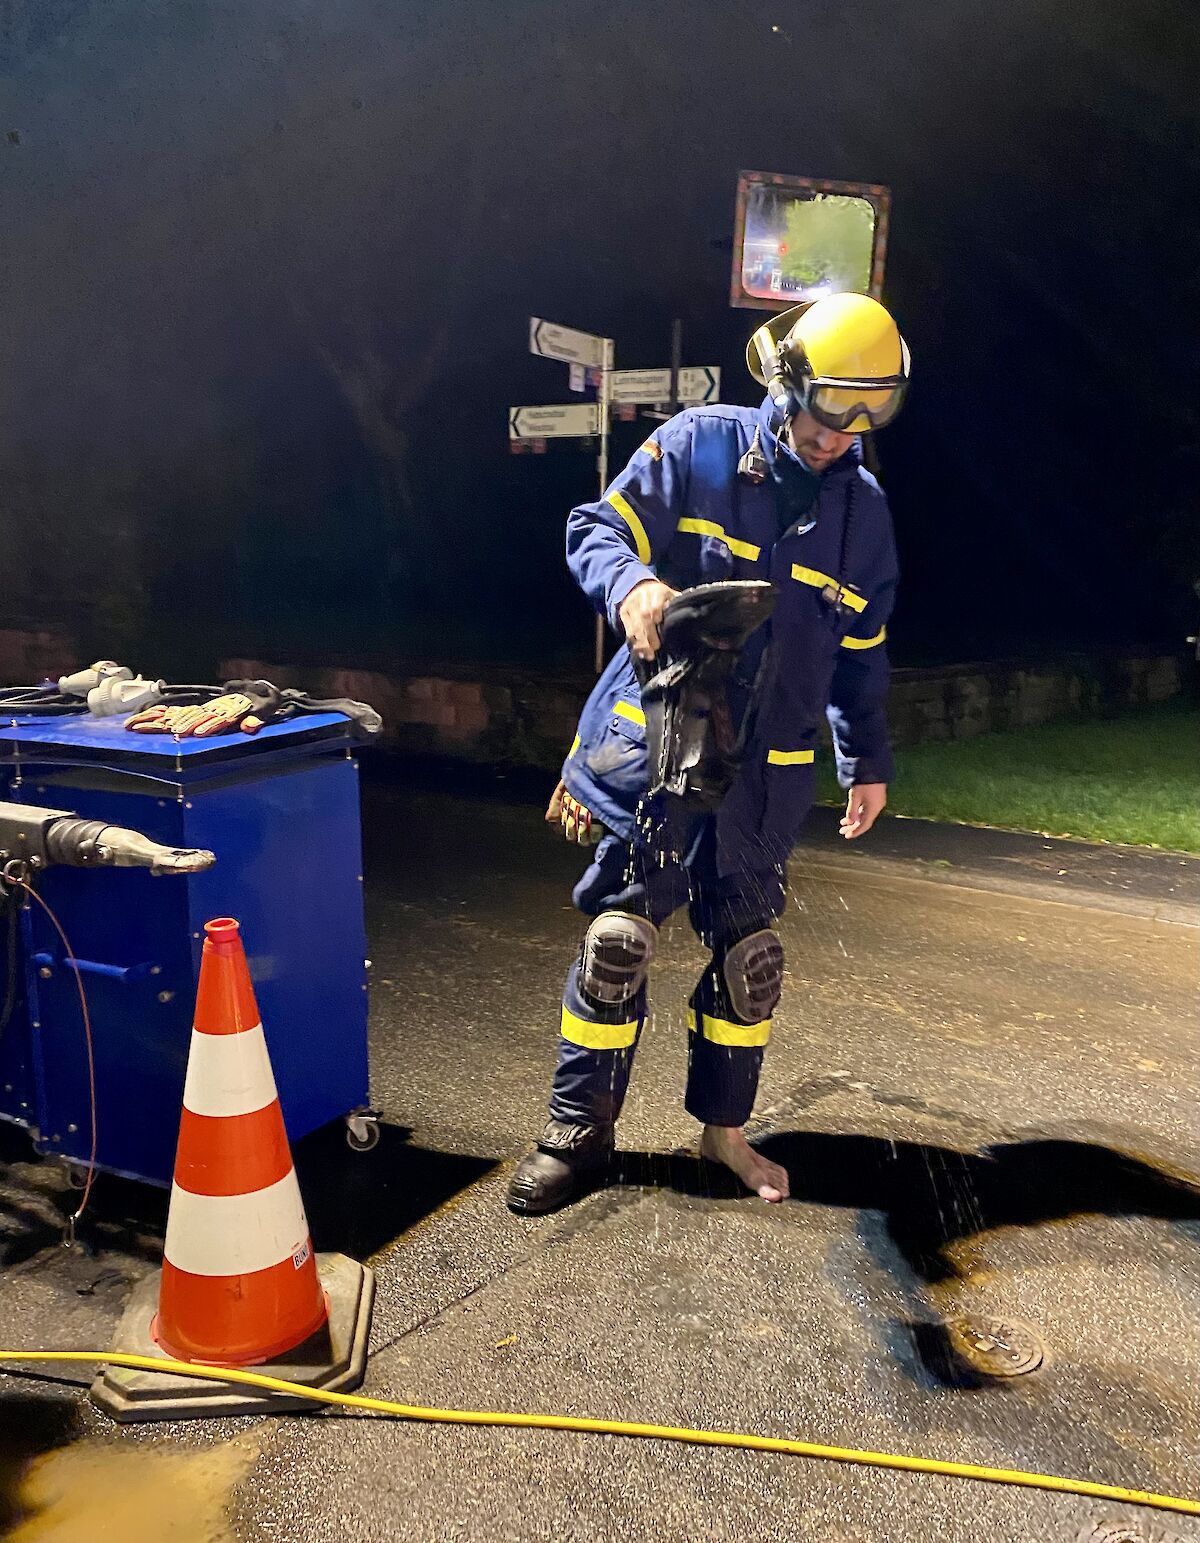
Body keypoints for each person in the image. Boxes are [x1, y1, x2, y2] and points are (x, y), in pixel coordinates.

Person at [506, 292, 910, 1216]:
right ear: (787, 380)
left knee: (752, 962)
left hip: (766, 785)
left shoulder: (865, 517)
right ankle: (578, 1135)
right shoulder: (700, 443)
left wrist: (868, 757)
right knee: (618, 947)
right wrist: (635, 583)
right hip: (663, 759)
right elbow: (593, 529)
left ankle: (723, 1132)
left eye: (869, 412)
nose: (842, 433)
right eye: (830, 405)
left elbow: (862, 654)